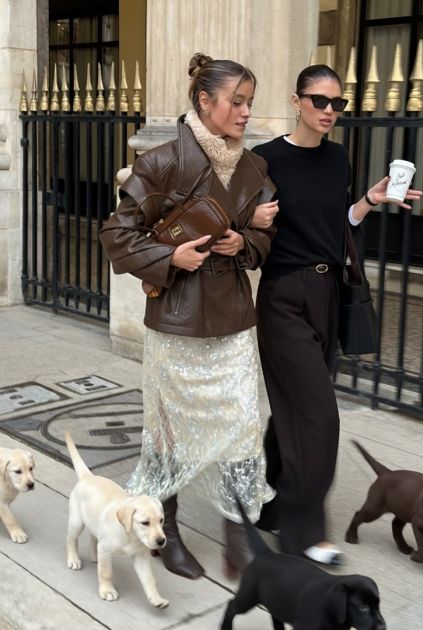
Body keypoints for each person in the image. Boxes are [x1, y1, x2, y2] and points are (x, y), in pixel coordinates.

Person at [100, 53, 277, 580]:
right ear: (204, 100)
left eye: (249, 102)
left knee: (243, 427)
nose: (246, 112)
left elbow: (265, 237)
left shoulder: (254, 166)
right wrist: (169, 257)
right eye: (236, 101)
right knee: (169, 434)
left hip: (233, 319)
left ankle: (239, 538)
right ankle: (167, 533)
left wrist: (244, 242)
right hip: (177, 319)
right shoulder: (161, 162)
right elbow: (115, 235)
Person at [251, 64, 422, 565]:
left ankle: (271, 505)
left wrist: (368, 200)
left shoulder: (338, 158)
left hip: (328, 294)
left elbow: (336, 223)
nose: (329, 111)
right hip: (284, 295)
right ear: (296, 101)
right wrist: (249, 220)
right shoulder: (265, 159)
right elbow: (247, 226)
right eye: (319, 101)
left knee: (296, 409)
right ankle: (303, 533)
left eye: (338, 103)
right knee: (319, 415)